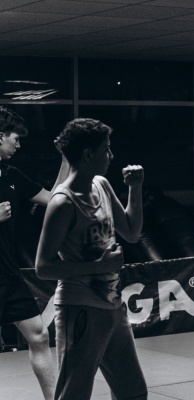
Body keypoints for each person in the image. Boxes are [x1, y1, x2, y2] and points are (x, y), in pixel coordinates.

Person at [35, 118, 148, 400]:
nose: (111, 156)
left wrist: (135, 188)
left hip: (113, 307)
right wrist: (99, 266)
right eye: (105, 149)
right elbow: (43, 267)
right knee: (73, 395)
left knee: (133, 393)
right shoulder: (63, 202)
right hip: (80, 310)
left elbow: (132, 232)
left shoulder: (102, 185)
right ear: (87, 155)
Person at [0, 106, 68, 400]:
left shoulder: (12, 176)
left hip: (8, 274)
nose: (18, 145)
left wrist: (66, 159)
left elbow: (55, 199)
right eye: (15, 138)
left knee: (39, 336)